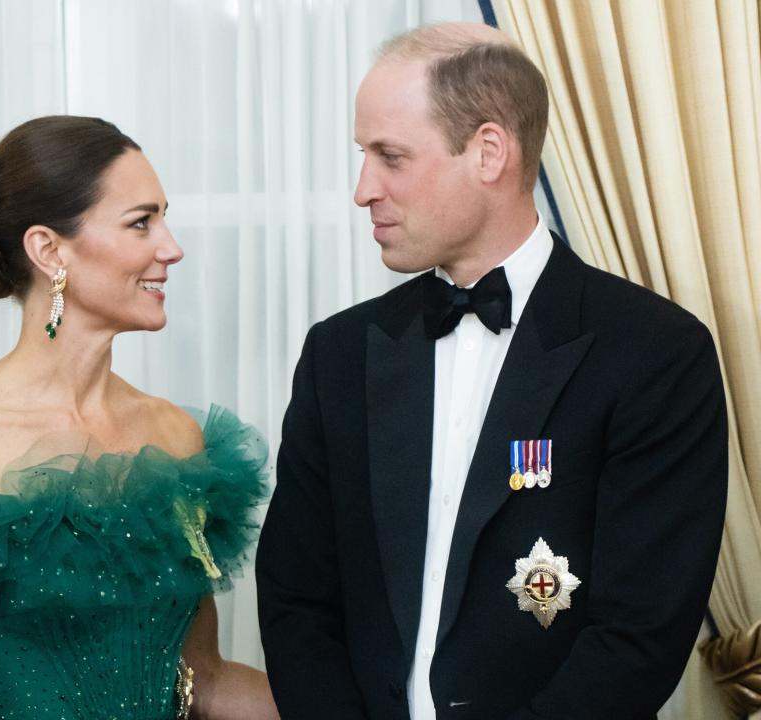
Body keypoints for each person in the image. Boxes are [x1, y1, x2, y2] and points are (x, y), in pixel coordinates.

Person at [256, 22, 727, 720]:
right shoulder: (340, 354)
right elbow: (296, 600)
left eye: (390, 157)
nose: (363, 190)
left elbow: (638, 635)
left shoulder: (655, 354)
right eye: (365, 157)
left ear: (488, 152)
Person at [0, 115, 279, 720]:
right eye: (142, 222)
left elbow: (206, 680)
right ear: (48, 249)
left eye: (163, 218)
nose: (171, 247)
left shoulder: (175, 438)